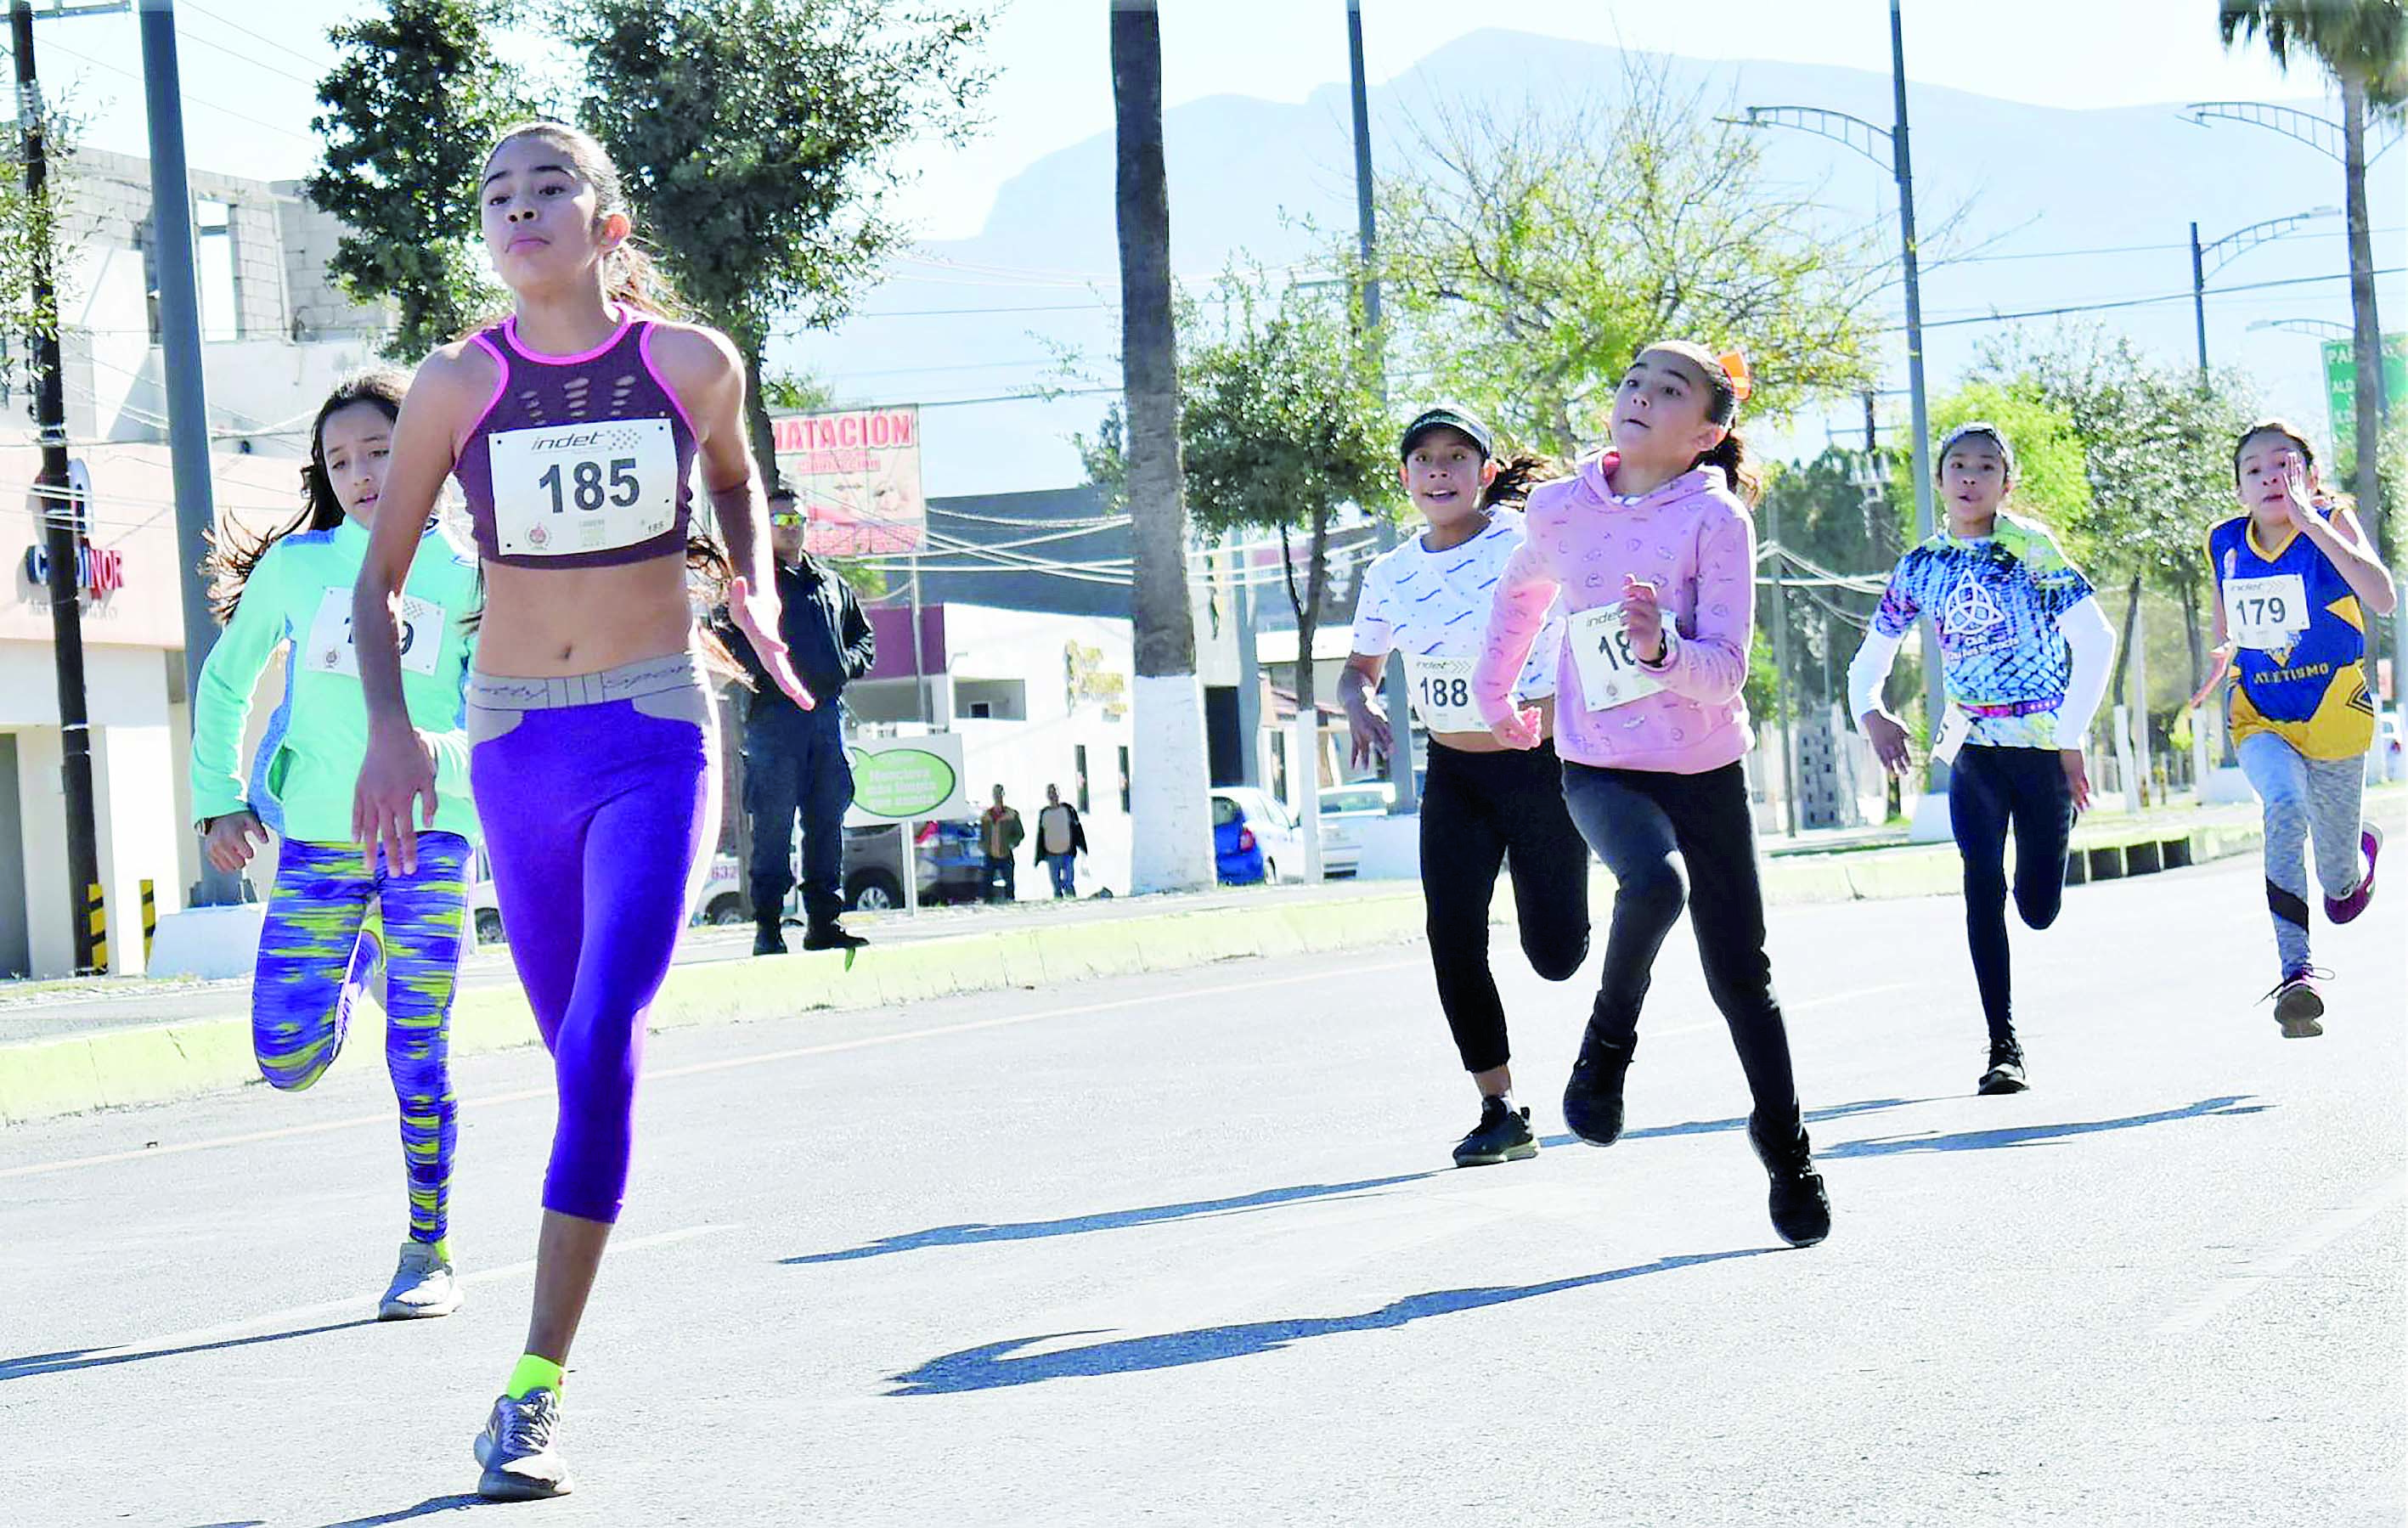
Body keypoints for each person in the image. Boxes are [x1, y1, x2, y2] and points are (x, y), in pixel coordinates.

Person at [351, 121, 812, 1502]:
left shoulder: (689, 361)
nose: (522, 207)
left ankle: (533, 1385)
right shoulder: (453, 385)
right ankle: (559, 1296)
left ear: (606, 221)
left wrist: (755, 589)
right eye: (497, 192)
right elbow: (377, 588)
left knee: (606, 1029)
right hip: (512, 742)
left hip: (655, 722)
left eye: (552, 185)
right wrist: (389, 727)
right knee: (572, 1051)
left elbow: (735, 478)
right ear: (485, 234)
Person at [1475, 341, 1830, 1249]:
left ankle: (1785, 1143)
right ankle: (1606, 1049)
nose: (1640, 393)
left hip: (1706, 766)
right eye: (1633, 379)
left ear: (1706, 432)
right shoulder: (1562, 508)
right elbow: (1519, 598)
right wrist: (1495, 692)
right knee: (1654, 883)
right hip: (1599, 760)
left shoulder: (1716, 521)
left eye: (1669, 389)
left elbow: (1726, 670)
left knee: (1740, 975)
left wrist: (1659, 650)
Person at [189, 370, 483, 1321]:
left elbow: (504, 713)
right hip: (317, 842)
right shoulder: (299, 565)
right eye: (339, 460)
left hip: (431, 837)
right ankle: (354, 965)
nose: (360, 473)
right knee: (288, 1057)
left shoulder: (474, 573)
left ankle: (428, 1246)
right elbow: (227, 681)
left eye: (381, 451)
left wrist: (435, 754)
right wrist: (219, 801)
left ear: (430, 450)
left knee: (420, 1050)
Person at [1341, 404, 1588, 1168]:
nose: (1438, 470)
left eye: (1456, 457)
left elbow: (1594, 617)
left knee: (1556, 956)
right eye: (1423, 459)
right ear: (1406, 478)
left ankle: (1571, 933)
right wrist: (1359, 702)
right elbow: (1359, 668)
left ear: (1485, 474)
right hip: (1454, 773)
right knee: (1451, 934)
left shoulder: (1529, 545)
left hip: (1539, 768)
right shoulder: (1388, 573)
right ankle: (1499, 1106)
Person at [1847, 423, 2115, 1096]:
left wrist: (2070, 737)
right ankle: (2002, 1044)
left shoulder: (2030, 549)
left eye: (1986, 467)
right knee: (1979, 883)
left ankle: (2048, 854)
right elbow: (1872, 654)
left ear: (2006, 481)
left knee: (2036, 907)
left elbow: (2095, 637)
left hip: (2041, 750)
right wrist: (1870, 712)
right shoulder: (1921, 566)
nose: (1970, 477)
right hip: (1971, 748)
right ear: (1938, 480)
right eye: (1956, 466)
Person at [2203, 420, 2394, 1035]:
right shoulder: (2225, 541)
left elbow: (2383, 597)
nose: (2269, 479)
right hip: (2258, 714)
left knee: (2339, 890)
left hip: (2335, 716)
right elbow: (2224, 624)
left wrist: (2313, 522)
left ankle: (2354, 861)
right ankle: (2296, 973)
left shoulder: (2332, 522)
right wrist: (2219, 656)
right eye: (2253, 470)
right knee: (2282, 805)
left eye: (2283, 467)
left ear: (2309, 478)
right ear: (2238, 487)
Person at [720, 483, 875, 956]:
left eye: (797, 518)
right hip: (774, 722)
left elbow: (863, 640)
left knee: (827, 821)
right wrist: (765, 676)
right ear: (764, 529)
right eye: (780, 520)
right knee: (773, 824)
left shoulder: (830, 584)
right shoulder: (754, 589)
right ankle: (768, 926)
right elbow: (728, 645)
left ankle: (824, 922)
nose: (791, 527)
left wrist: (841, 667)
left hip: (825, 721)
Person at [1032, 782, 1088, 899]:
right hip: (1051, 854)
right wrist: (1039, 856)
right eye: (1051, 793)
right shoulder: (1044, 813)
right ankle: (1058, 905)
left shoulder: (1068, 810)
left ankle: (1072, 901)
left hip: (1067, 852)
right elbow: (1041, 834)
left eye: (1055, 792)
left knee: (1068, 882)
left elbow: (1077, 829)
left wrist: (1082, 847)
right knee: (1056, 885)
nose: (1053, 796)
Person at [981, 784, 1024, 902]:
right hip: (990, 854)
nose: (998, 796)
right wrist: (983, 846)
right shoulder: (986, 816)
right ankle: (988, 902)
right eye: (995, 793)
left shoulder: (1011, 814)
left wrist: (1012, 843)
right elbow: (982, 835)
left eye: (1000, 793)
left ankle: (1010, 900)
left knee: (1009, 880)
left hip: (1006, 854)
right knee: (987, 880)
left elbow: (1020, 834)